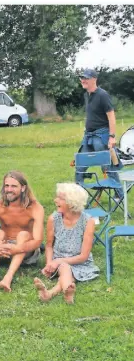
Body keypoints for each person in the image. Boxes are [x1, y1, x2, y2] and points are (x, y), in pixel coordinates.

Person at [0, 171, 44, 292]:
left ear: (23, 188)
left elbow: (38, 240)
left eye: (14, 186)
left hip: (26, 254)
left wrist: (18, 248)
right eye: (6, 186)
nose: (9, 189)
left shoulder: (35, 207)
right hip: (3, 251)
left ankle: (8, 278)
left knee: (23, 234)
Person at [34, 183, 99, 304]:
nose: (55, 200)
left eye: (61, 198)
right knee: (65, 269)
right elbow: (48, 245)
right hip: (58, 261)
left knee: (64, 267)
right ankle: (68, 291)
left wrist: (57, 262)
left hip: (80, 262)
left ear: (72, 202)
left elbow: (84, 256)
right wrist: (49, 264)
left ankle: (49, 294)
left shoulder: (88, 221)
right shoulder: (53, 219)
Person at [75, 68, 124, 200]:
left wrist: (112, 137)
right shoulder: (87, 95)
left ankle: (119, 196)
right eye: (82, 78)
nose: (83, 80)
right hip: (89, 136)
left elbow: (111, 116)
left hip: (101, 136)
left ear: (94, 79)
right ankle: (76, 198)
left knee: (107, 166)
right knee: (80, 165)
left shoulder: (102, 95)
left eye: (86, 78)